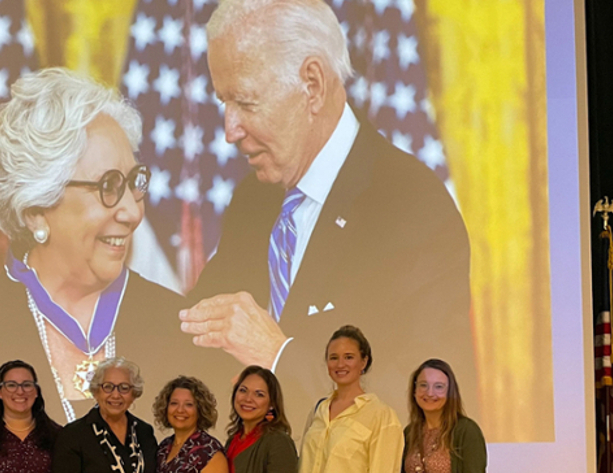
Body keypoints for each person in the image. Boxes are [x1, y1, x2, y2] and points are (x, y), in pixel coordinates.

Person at [182, 0, 477, 421]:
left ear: (313, 85)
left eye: (246, 103)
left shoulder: (411, 206)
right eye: (223, 103)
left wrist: (277, 356)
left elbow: (429, 401)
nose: (230, 130)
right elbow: (197, 333)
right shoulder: (254, 199)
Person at [0, 67, 237, 424]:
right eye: (109, 186)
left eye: (134, 182)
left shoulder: (183, 334)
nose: (131, 210)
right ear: (36, 210)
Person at [300, 326, 402, 473]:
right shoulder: (319, 410)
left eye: (348, 357)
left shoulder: (381, 415)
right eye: (334, 358)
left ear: (363, 362)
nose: (340, 364)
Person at [52, 357, 158, 472]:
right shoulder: (73, 435)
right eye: (108, 387)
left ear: (133, 394)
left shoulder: (144, 432)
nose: (116, 395)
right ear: (96, 392)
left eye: (124, 388)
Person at [0, 360, 62, 473]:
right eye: (11, 385)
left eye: (27, 385)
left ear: (36, 392)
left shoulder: (57, 435)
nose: (20, 391)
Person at [402, 359, 486, 473]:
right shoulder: (409, 433)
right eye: (423, 385)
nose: (430, 393)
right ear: (414, 391)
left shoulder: (467, 431)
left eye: (439, 387)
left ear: (450, 392)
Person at [224, 367, 298, 473]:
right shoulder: (233, 441)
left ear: (271, 404)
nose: (248, 399)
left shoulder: (278, 442)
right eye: (243, 390)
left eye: (259, 394)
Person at [152, 376, 227, 473]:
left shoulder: (210, 452)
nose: (180, 410)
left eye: (189, 404)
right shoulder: (164, 447)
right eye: (174, 403)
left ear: (200, 410)